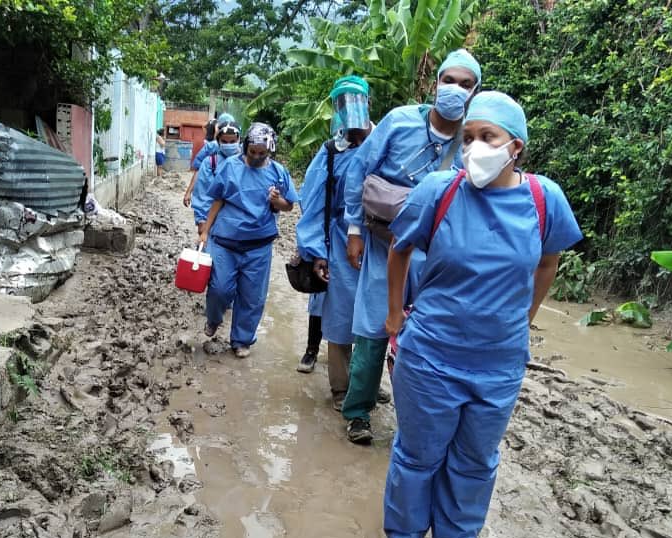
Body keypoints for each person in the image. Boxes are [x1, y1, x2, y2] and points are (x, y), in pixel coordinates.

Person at [382, 91, 583, 538]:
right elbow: (399, 247)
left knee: (476, 456)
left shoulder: (544, 198)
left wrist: (525, 317)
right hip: (431, 351)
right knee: (420, 451)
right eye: (467, 137)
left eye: (486, 137)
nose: (474, 147)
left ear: (515, 146)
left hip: (499, 361)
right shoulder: (439, 190)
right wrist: (393, 318)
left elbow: (549, 260)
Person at [341, 49, 482, 445]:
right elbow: (360, 169)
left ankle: (417, 418)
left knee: (425, 337)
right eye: (448, 80)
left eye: (465, 84)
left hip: (437, 257)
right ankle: (357, 413)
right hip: (384, 244)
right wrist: (354, 229)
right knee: (372, 330)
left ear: (475, 92)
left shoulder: (474, 138)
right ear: (435, 82)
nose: (455, 90)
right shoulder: (400, 121)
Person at [295, 75, 374, 405]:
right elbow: (312, 205)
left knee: (374, 317)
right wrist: (316, 252)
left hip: (380, 242)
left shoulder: (386, 141)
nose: (351, 108)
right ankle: (341, 387)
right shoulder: (330, 153)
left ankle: (366, 381)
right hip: (340, 242)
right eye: (344, 102)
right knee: (341, 314)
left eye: (357, 100)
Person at [199, 122, 298, 357]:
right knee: (219, 288)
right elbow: (217, 200)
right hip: (225, 241)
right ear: (245, 147)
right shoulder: (230, 167)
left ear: (269, 150)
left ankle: (242, 340)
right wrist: (205, 229)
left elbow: (289, 205)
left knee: (252, 296)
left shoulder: (278, 172)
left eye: (261, 153)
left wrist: (277, 201)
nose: (255, 157)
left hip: (259, 246)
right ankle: (214, 318)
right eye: (252, 152)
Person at [191, 122, 242, 234]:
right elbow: (202, 193)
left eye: (232, 142)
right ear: (218, 141)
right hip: (214, 223)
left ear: (239, 140)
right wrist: (201, 220)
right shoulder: (210, 163)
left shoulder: (248, 164)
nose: (228, 145)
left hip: (240, 226)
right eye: (224, 141)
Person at [183, 113, 237, 207]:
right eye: (224, 141)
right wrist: (189, 192)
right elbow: (198, 170)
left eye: (232, 141)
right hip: (209, 200)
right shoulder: (211, 148)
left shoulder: (243, 153)